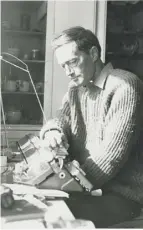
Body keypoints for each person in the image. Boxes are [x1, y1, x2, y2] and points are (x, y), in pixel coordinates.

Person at [39, 26, 143, 228]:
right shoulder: (77, 88)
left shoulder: (125, 86)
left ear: (94, 53)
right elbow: (62, 118)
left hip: (123, 195)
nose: (68, 72)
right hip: (89, 189)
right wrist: (54, 132)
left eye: (73, 62)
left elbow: (111, 157)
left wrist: (66, 183)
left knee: (49, 220)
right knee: (39, 208)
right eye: (63, 66)